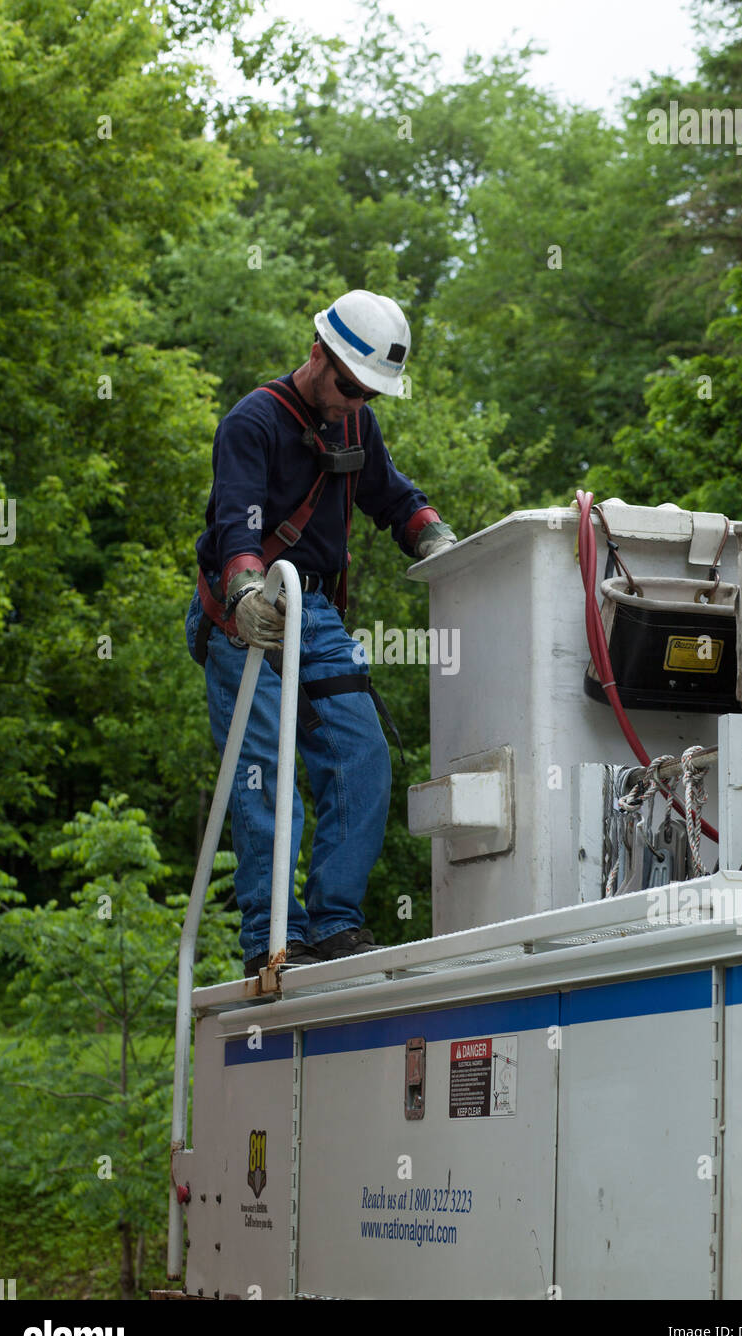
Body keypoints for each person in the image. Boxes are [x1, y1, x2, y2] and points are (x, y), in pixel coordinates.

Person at [185, 290, 457, 976]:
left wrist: (436, 539)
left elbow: (392, 497)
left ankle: (334, 922)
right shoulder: (253, 423)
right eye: (347, 386)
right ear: (317, 355)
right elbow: (236, 527)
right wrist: (246, 593)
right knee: (265, 774)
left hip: (318, 618)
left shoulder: (356, 426)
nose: (354, 401)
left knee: (362, 755)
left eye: (369, 393)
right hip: (246, 613)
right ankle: (273, 937)